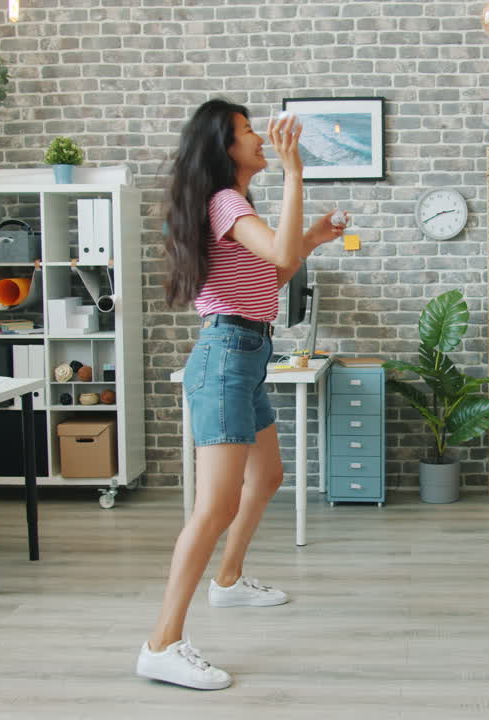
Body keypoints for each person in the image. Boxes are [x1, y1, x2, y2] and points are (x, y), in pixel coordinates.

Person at [138, 99, 346, 690]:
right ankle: (162, 643)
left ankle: (227, 582)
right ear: (223, 148)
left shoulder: (234, 205)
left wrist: (312, 237)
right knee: (215, 508)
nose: (261, 139)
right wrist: (296, 173)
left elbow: (269, 277)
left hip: (245, 352)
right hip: (226, 358)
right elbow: (279, 259)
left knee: (269, 477)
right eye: (249, 131)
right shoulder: (226, 200)